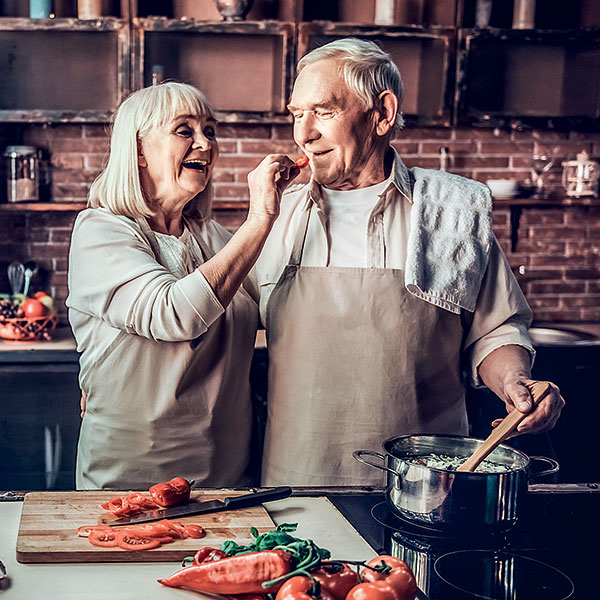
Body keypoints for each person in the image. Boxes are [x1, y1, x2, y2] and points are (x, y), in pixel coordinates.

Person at [256, 38, 565, 486]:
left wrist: (516, 381)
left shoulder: (451, 213)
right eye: (296, 114)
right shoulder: (272, 218)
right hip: (296, 476)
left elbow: (495, 330)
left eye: (323, 111)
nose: (304, 133)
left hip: (427, 482)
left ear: (382, 113)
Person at [67, 82, 301, 489]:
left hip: (228, 476)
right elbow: (174, 314)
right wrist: (261, 217)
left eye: (209, 131)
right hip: (133, 479)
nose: (205, 144)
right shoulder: (100, 231)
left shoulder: (213, 238)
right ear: (139, 150)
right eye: (184, 130)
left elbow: (278, 305)